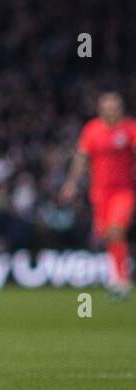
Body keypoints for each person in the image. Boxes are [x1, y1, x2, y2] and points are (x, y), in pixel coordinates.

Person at [62, 92, 135, 297]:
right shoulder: (92, 130)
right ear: (100, 110)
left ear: (121, 109)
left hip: (123, 191)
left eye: (115, 107)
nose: (111, 111)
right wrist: (71, 183)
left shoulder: (130, 129)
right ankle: (117, 277)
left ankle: (122, 280)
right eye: (107, 108)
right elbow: (81, 158)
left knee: (116, 229)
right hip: (100, 193)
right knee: (107, 235)